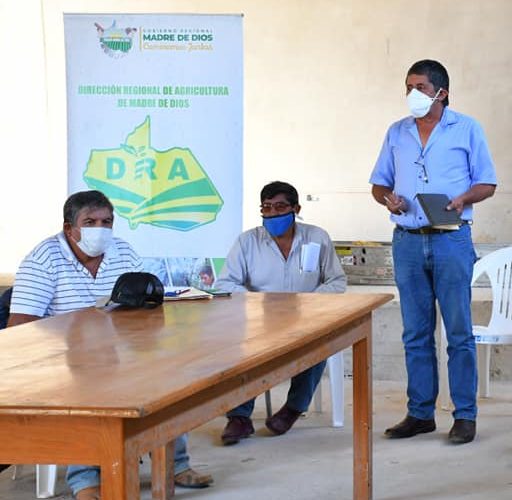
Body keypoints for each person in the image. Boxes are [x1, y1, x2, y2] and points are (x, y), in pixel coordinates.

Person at [7, 190, 212, 500]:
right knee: (88, 384)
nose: (99, 229)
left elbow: (148, 300)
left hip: (119, 349)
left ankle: (175, 464)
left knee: (168, 378)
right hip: (63, 359)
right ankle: (86, 481)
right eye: (90, 222)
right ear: (69, 228)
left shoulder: (122, 252)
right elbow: (19, 327)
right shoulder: (44, 259)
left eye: (106, 222)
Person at [369, 59, 497, 444]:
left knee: (458, 331)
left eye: (421, 87)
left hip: (451, 237)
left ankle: (465, 415)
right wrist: (387, 200)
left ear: (441, 92)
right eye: (408, 86)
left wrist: (462, 199)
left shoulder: (467, 128)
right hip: (407, 240)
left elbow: (487, 182)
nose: (413, 94)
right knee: (415, 333)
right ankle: (420, 413)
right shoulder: (397, 132)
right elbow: (378, 184)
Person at [214, 181, 347, 445]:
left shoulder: (317, 237)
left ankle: (292, 409)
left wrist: (308, 302)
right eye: (266, 208)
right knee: (239, 348)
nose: (273, 214)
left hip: (307, 318)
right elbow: (224, 283)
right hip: (259, 320)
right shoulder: (247, 242)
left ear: (296, 208)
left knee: (321, 341)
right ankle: (239, 417)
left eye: (280, 207)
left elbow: (337, 281)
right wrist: (258, 302)